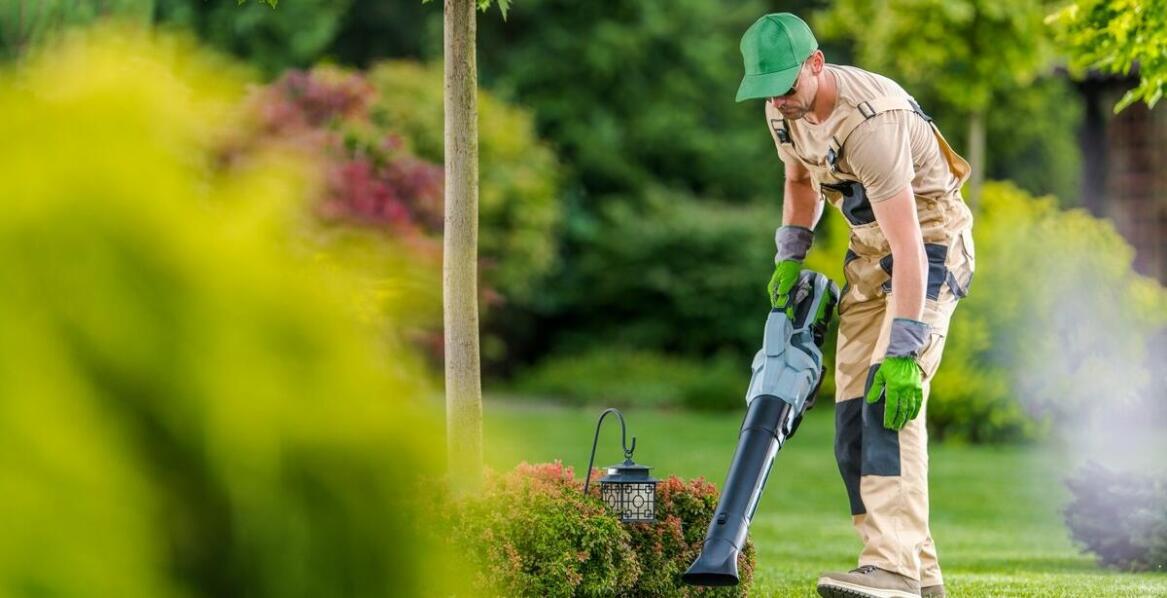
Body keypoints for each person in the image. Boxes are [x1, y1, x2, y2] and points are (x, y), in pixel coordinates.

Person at [736, 13, 976, 598]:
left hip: (927, 246)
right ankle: (919, 579)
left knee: (887, 405)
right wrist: (790, 255)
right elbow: (799, 183)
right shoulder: (782, 108)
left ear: (816, 63)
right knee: (850, 424)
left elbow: (911, 247)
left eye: (788, 88)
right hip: (867, 256)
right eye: (768, 92)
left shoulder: (872, 121)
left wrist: (905, 347)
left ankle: (890, 565)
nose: (781, 103)